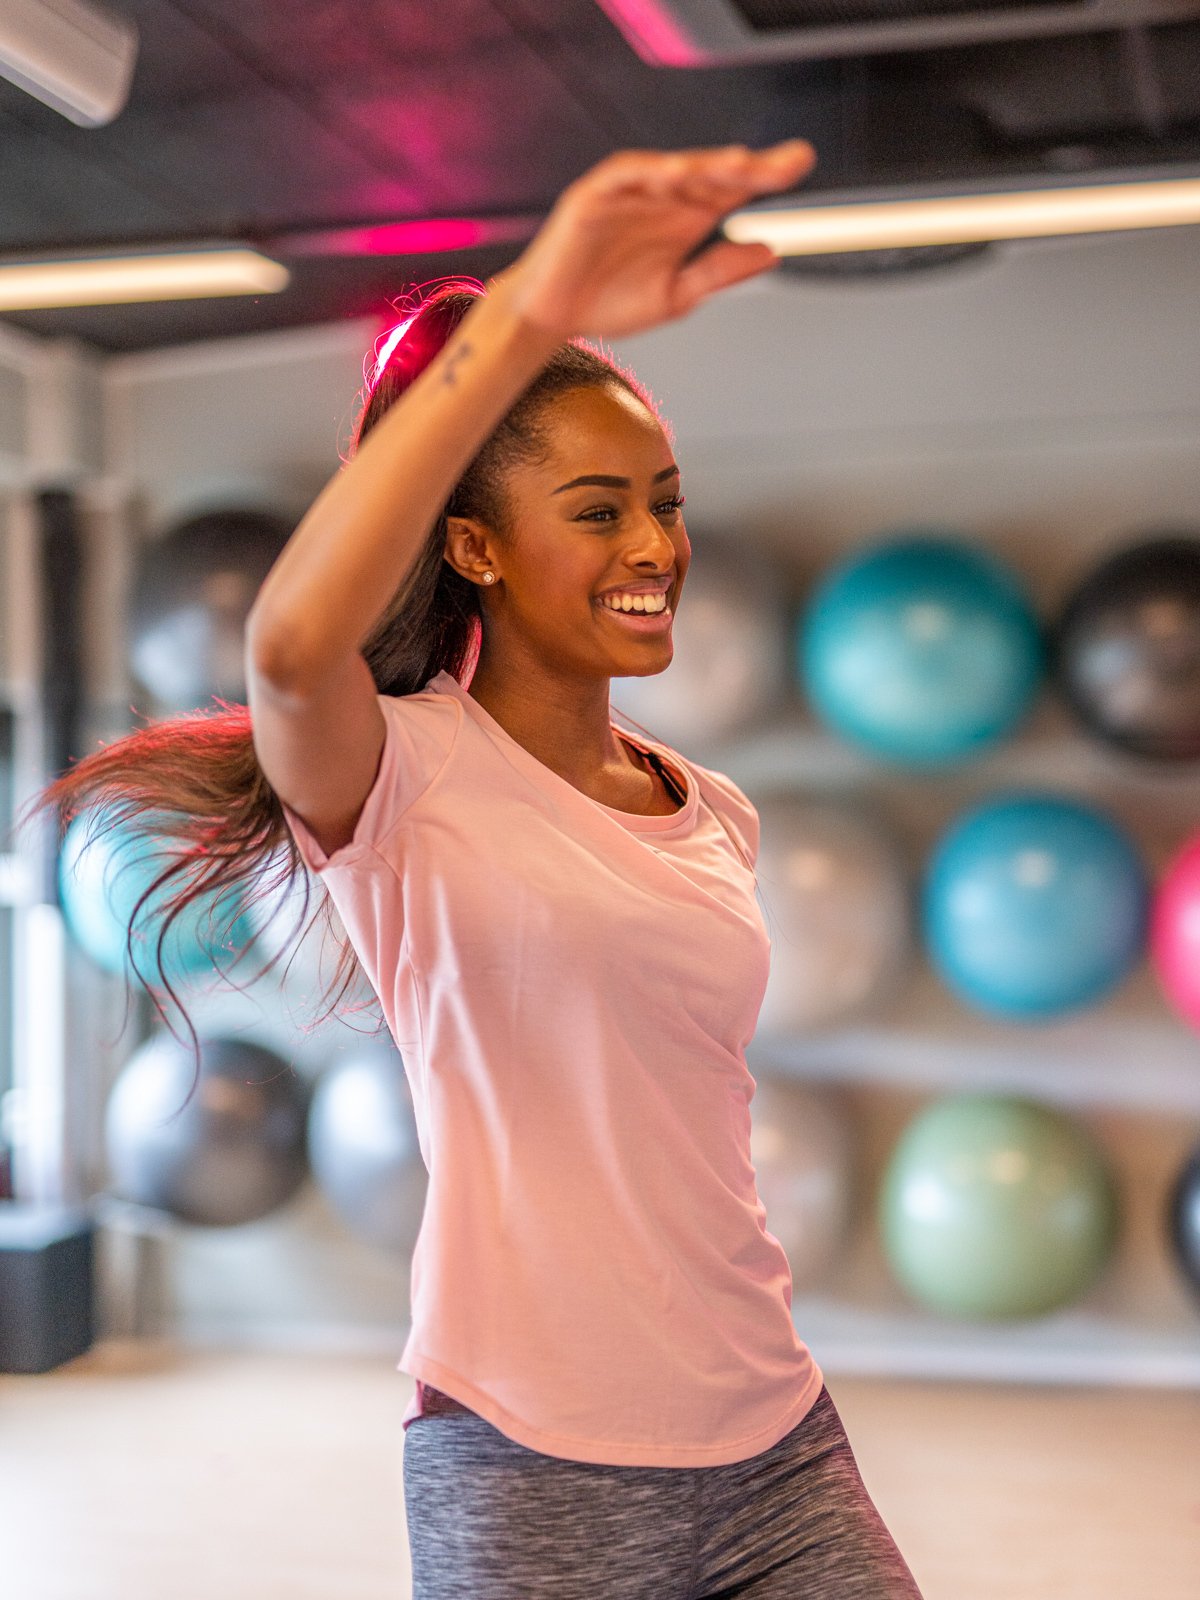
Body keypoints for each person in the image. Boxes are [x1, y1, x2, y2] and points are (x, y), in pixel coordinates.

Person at [29, 141, 925, 1597]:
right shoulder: (399, 772)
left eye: (668, 499)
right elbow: (286, 648)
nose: (655, 544)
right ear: (478, 547)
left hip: (775, 1435)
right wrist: (533, 304)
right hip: (533, 1456)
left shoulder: (719, 810)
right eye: (597, 508)